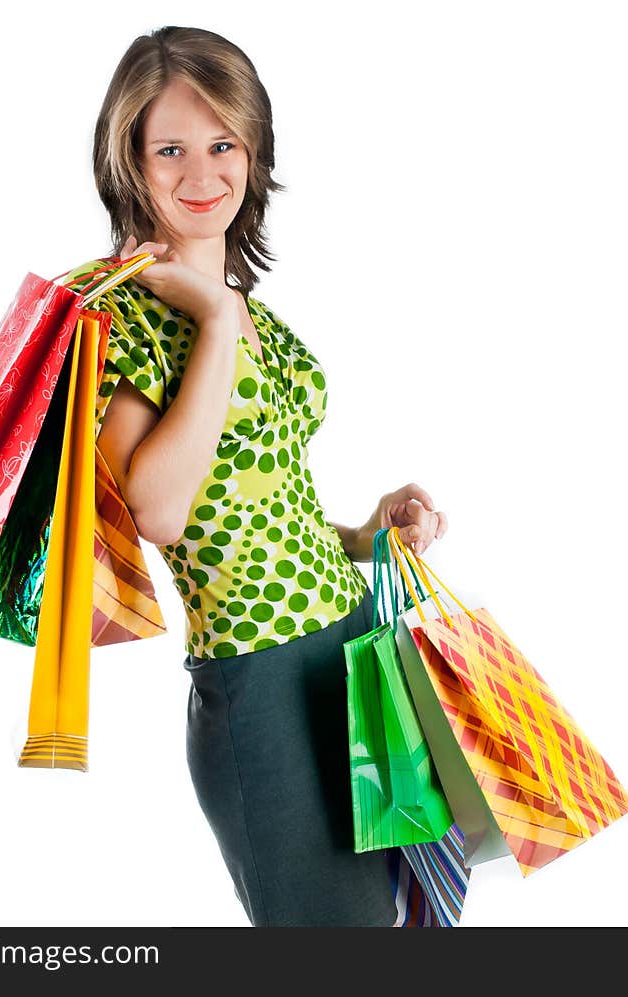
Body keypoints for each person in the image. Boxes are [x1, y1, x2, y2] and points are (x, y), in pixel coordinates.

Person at [62, 25, 448, 927]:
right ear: (129, 161)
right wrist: (216, 321)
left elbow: (266, 489)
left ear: (254, 150)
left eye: (223, 143)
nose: (201, 172)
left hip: (351, 647)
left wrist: (369, 533)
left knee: (396, 919)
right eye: (170, 148)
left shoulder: (251, 314)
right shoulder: (119, 321)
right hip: (261, 681)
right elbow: (157, 509)